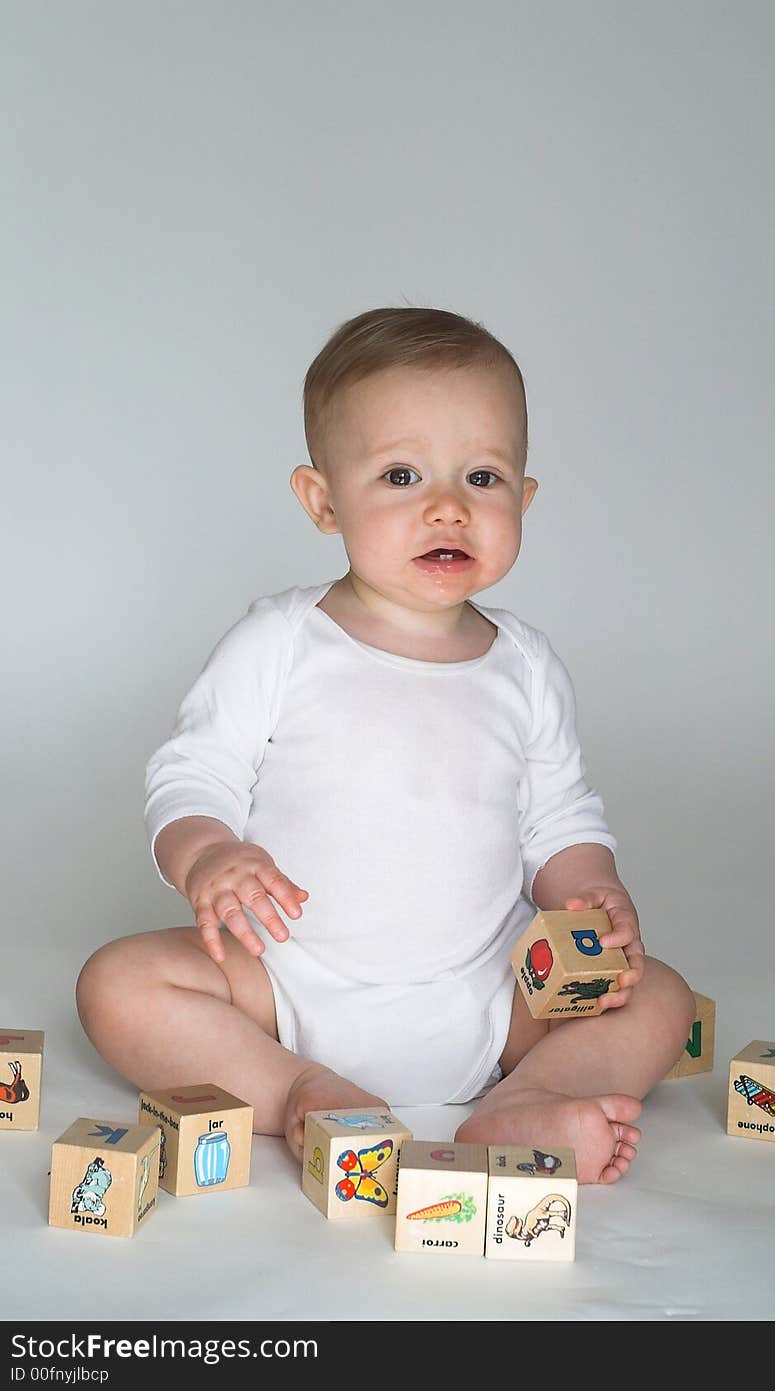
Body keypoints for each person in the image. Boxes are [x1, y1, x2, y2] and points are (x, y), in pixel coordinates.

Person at [76, 306, 695, 1185]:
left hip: (484, 990)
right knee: (118, 985)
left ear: (522, 499)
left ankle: (517, 1104)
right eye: (402, 474)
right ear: (324, 500)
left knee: (658, 996)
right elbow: (192, 773)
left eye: (482, 476)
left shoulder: (523, 665)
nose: (447, 505)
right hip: (286, 986)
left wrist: (591, 888)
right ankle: (298, 1088)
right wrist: (208, 853)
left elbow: (560, 817)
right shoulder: (281, 640)